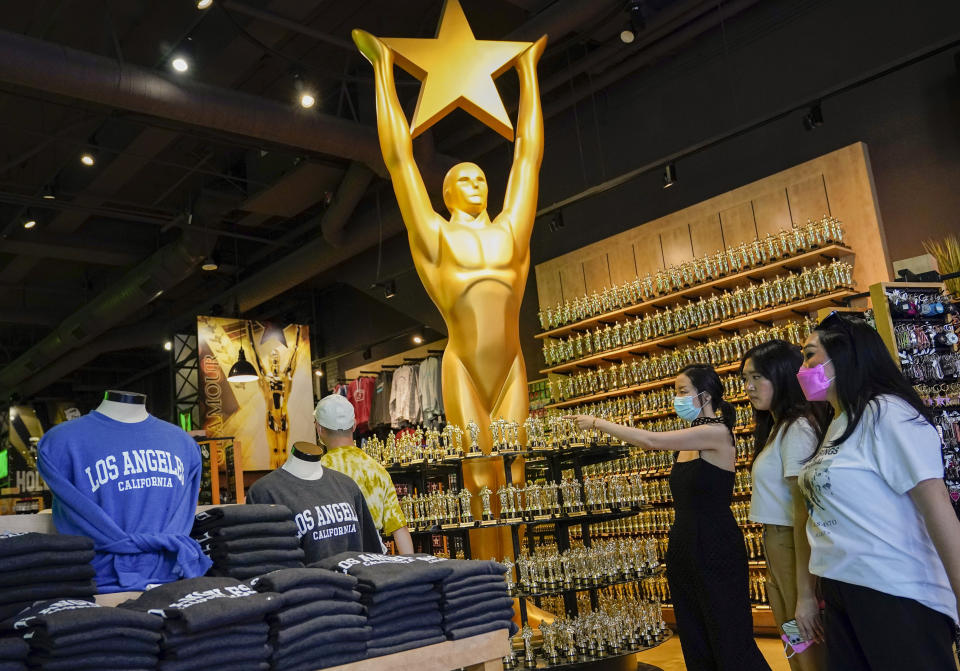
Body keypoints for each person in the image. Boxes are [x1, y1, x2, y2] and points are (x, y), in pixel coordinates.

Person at [567, 363, 771, 671]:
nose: (675, 399)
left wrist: (598, 422)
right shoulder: (689, 440)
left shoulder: (716, 433)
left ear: (704, 396)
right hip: (684, 543)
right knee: (693, 632)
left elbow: (652, 441)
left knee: (727, 634)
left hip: (715, 542)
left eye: (681, 392)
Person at [796, 311, 960, 670]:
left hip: (897, 591)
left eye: (810, 354)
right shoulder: (837, 420)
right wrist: (809, 594)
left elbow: (936, 507)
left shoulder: (887, 412)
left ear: (845, 356)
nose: (803, 366)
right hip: (842, 588)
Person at [741, 340, 828, 670]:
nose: (748, 387)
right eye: (745, 379)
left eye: (757, 377)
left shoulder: (797, 428)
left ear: (782, 376)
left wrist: (806, 594)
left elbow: (804, 510)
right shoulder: (777, 427)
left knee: (806, 640)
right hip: (778, 546)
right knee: (793, 638)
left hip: (794, 546)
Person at [313, 394, 414, 554]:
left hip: (334, 561)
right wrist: (412, 571)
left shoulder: (316, 472)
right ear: (353, 425)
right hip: (374, 561)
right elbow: (399, 529)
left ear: (319, 429)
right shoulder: (377, 470)